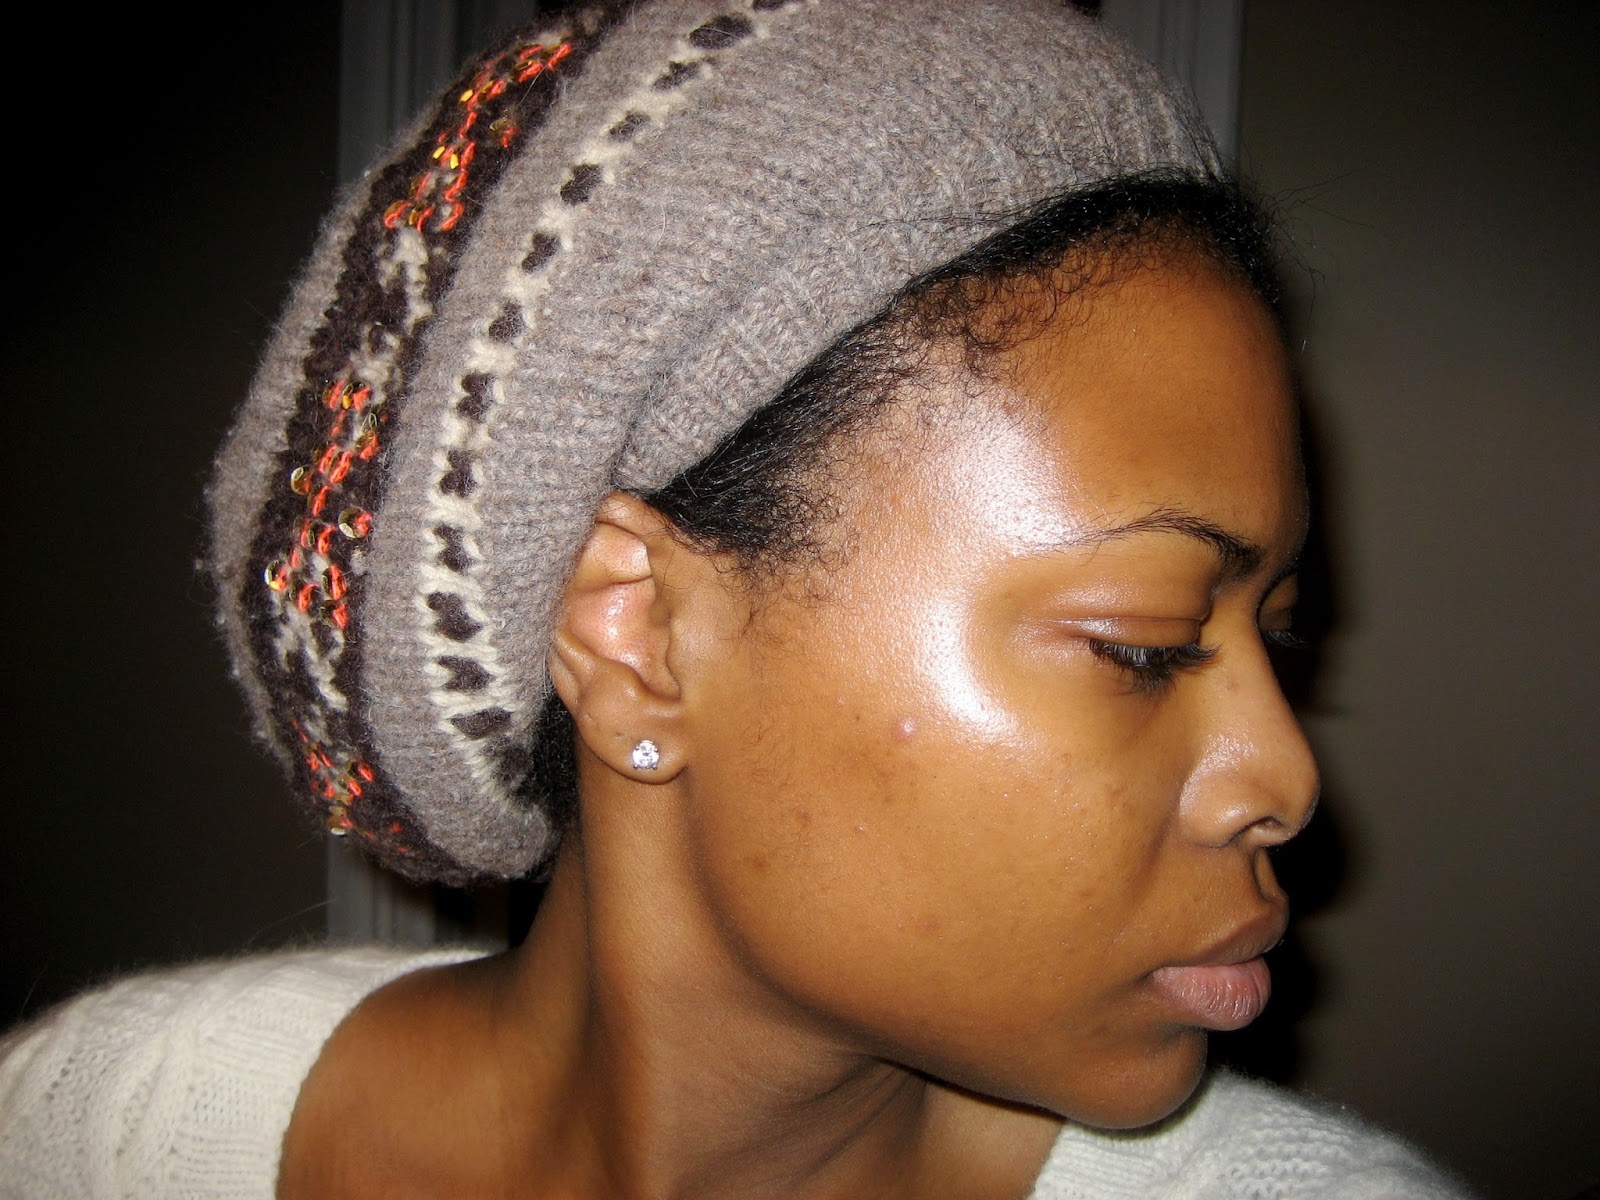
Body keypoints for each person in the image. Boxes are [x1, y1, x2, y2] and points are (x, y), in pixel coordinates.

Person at [0, 2, 1475, 1196]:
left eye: (1276, 637)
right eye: (1141, 643)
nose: (1286, 779)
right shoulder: (96, 1131)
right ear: (637, 636)